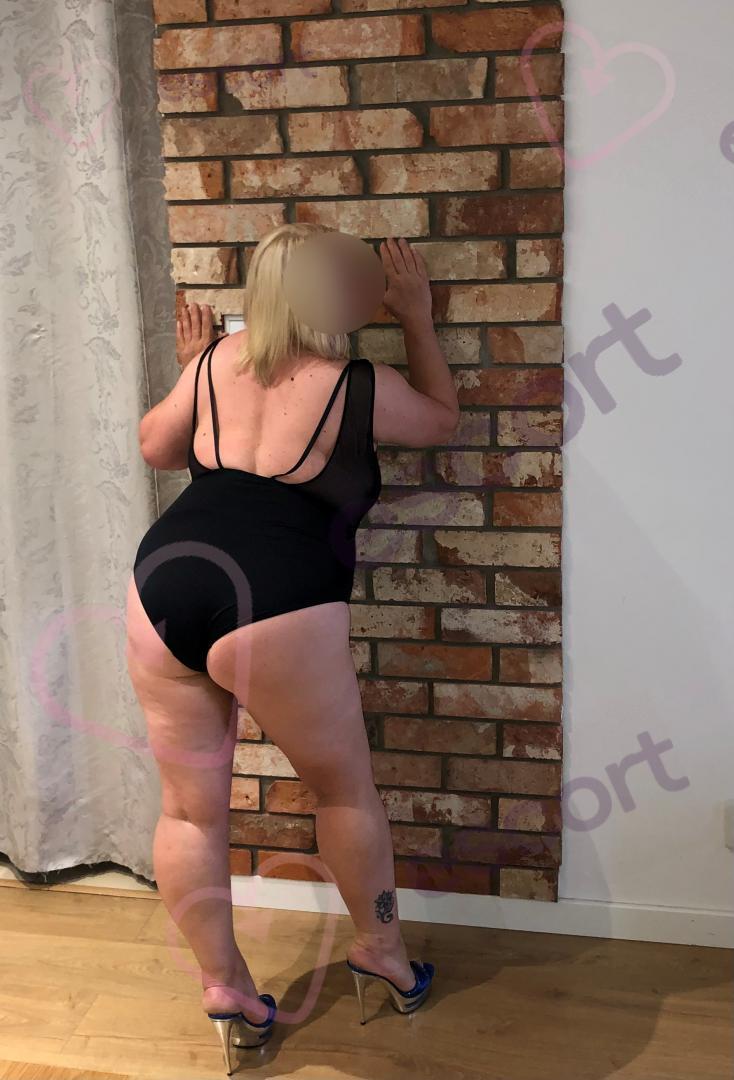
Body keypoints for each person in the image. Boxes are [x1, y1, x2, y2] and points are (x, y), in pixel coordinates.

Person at [125, 224, 460, 1072]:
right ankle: (384, 955)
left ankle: (225, 986)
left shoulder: (213, 363)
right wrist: (418, 319)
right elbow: (442, 422)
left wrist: (193, 371)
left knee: (187, 809)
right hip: (275, 589)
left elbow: (156, 447)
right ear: (331, 296)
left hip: (165, 574)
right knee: (343, 789)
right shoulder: (360, 384)